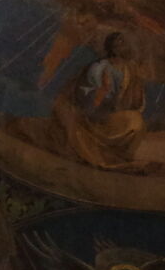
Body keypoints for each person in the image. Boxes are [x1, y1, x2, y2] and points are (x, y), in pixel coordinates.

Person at [55, 31, 148, 169]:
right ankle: (105, 154)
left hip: (114, 116)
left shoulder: (130, 68)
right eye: (118, 42)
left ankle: (122, 155)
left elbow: (135, 100)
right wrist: (102, 93)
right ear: (110, 46)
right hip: (94, 120)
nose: (122, 45)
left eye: (123, 42)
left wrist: (137, 89)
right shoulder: (98, 67)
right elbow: (84, 97)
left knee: (137, 121)